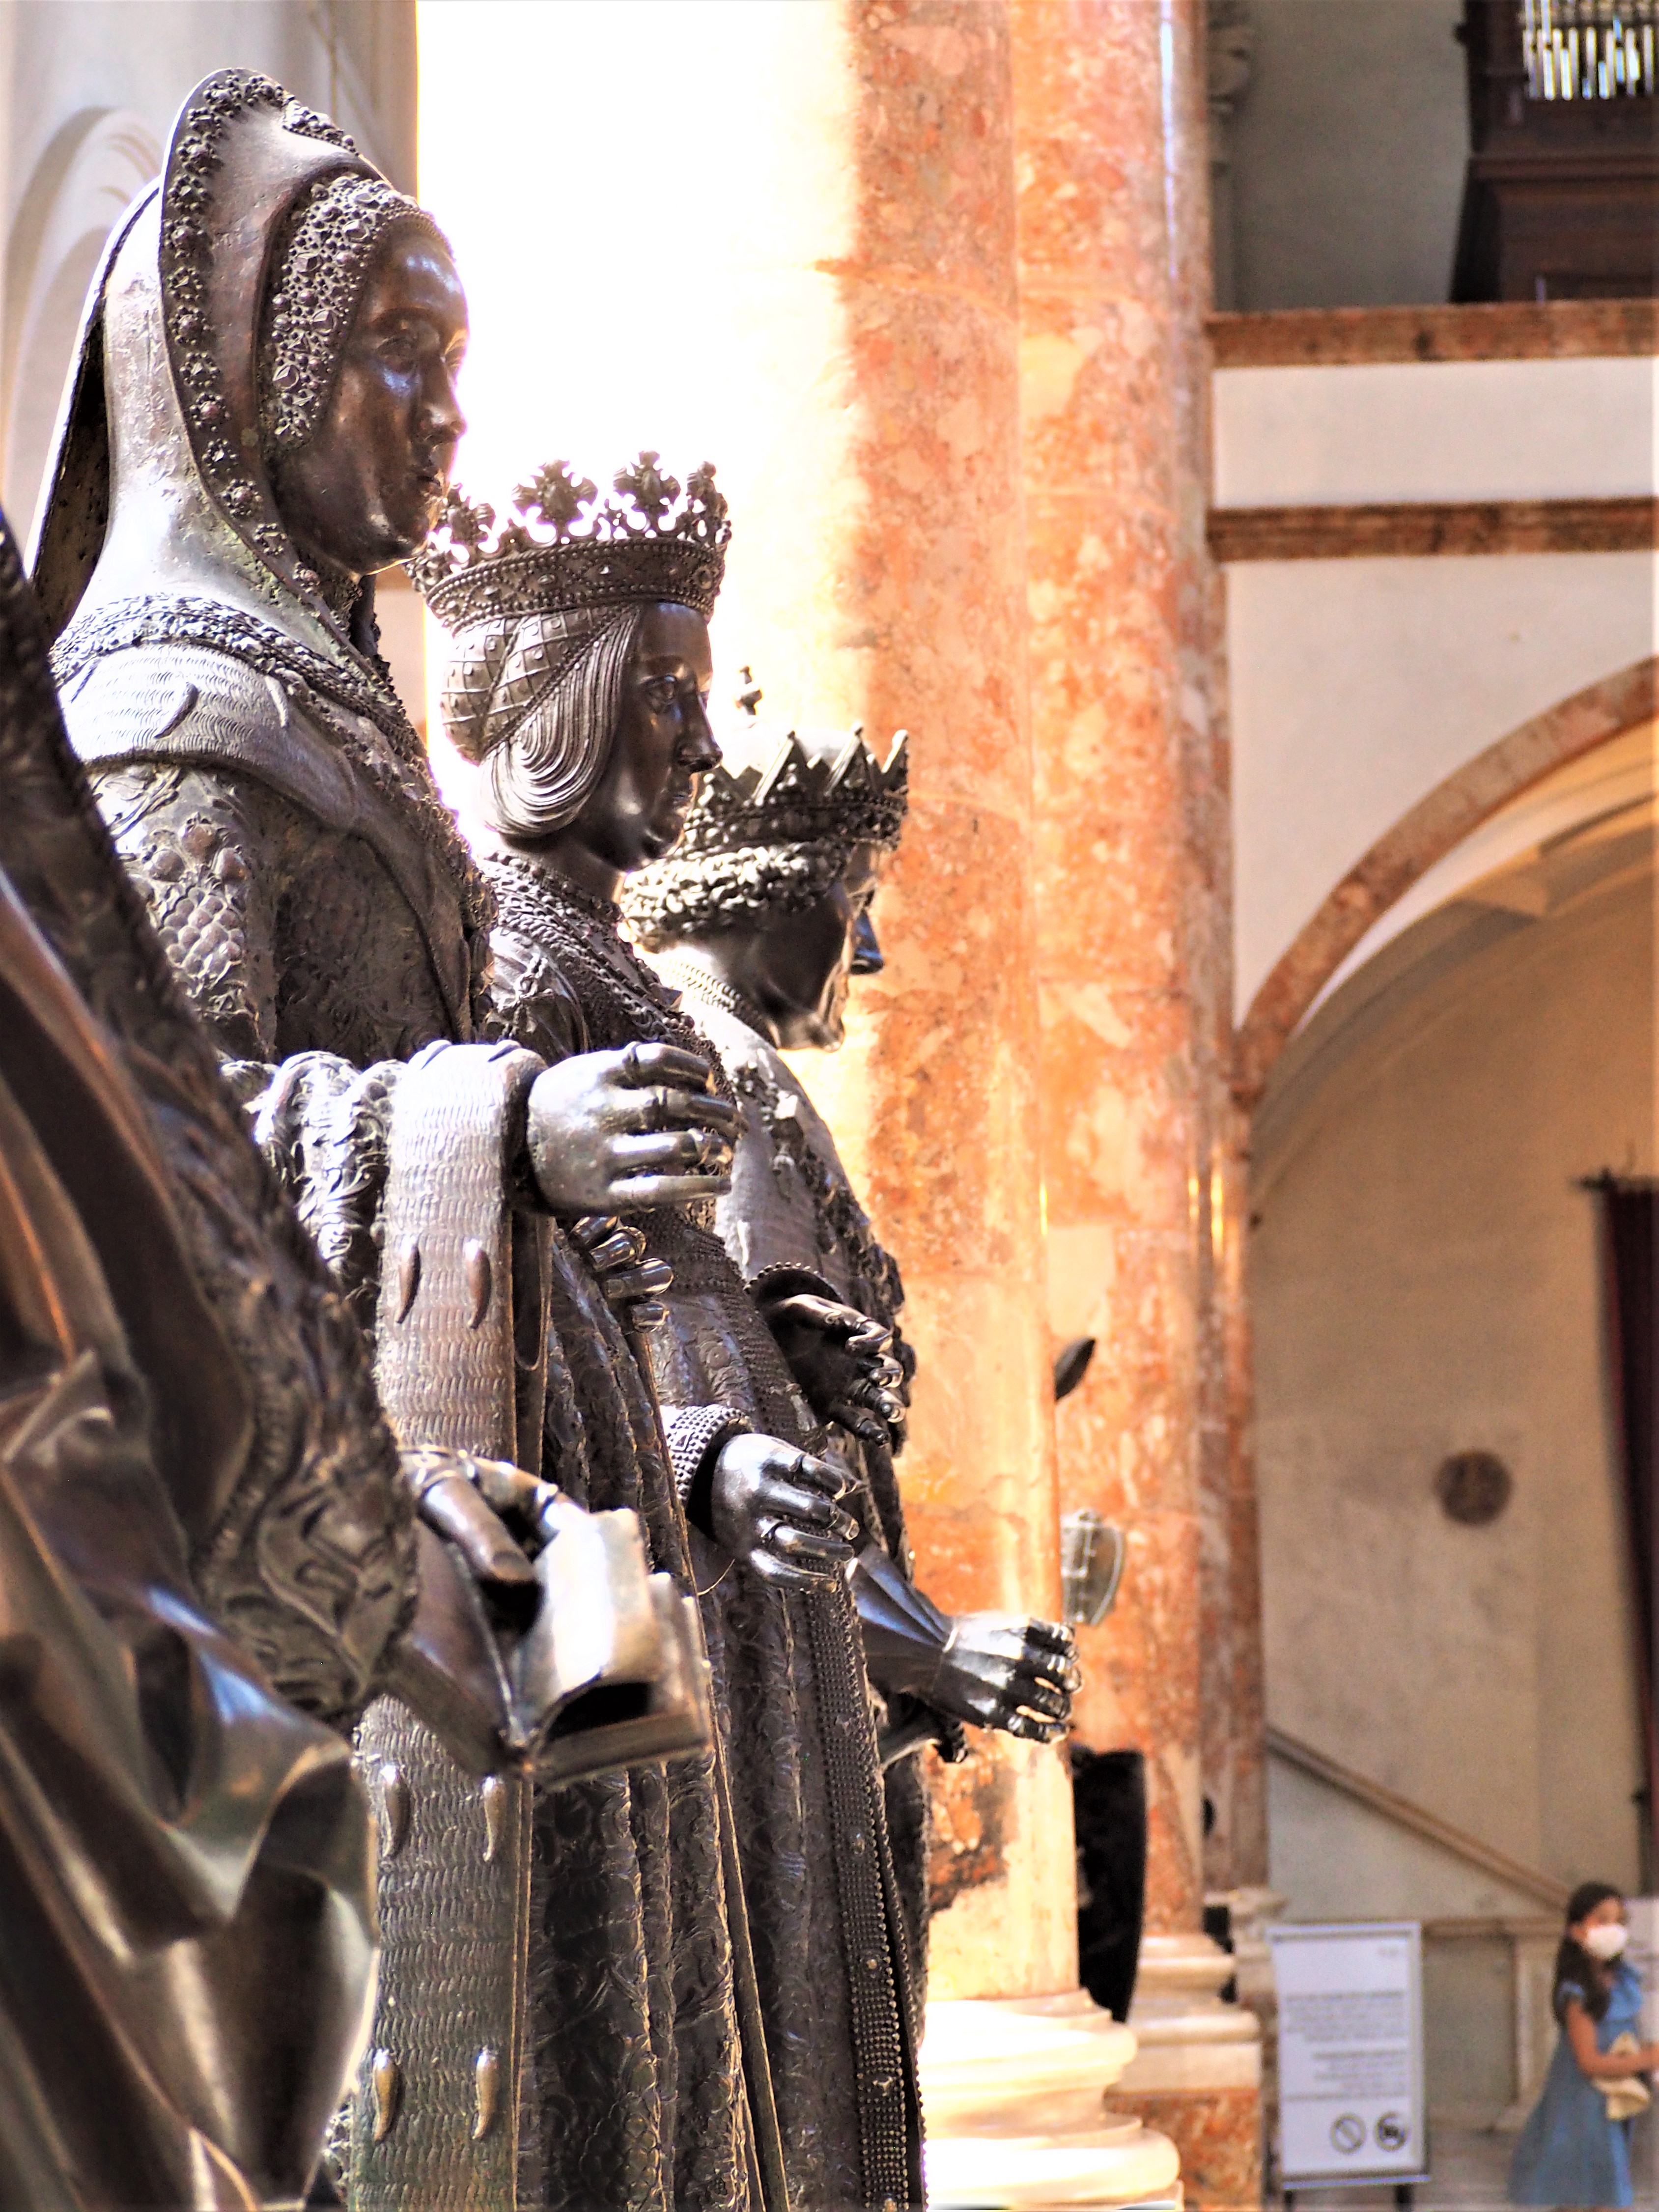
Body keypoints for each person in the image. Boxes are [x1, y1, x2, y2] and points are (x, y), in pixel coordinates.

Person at [30, 73, 729, 2200]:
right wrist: (497, 1126)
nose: (438, 412)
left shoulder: (323, 693)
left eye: (455, 361)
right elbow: (149, 1156)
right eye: (393, 355)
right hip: (321, 1571)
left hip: (492, 1499)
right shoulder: (176, 711)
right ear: (243, 388)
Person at [419, 462, 928, 2210]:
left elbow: (665, 1269)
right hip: (627, 1560)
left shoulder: (607, 963)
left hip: (718, 1544)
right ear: (558, 707)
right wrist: (707, 1445)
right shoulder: (495, 951)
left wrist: (785, 1331)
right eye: (667, 694)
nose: (702, 746)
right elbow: (510, 1316)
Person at [626, 690, 1080, 1998]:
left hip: (807, 1684)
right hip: (753, 1698)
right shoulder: (729, 1079)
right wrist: (927, 1641)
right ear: (761, 893)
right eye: (853, 897)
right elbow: (740, 1444)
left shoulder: (736, 1071)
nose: (867, 950)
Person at [1510, 1881, 1658, 2211]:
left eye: (1619, 1921)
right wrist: (1646, 2058)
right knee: (1583, 2192)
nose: (1613, 1929)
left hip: (1612, 2102)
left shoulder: (1622, 1979)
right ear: (1576, 1930)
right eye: (1601, 1920)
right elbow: (1589, 2062)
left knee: (1601, 2191)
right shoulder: (1578, 1991)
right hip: (1581, 2107)